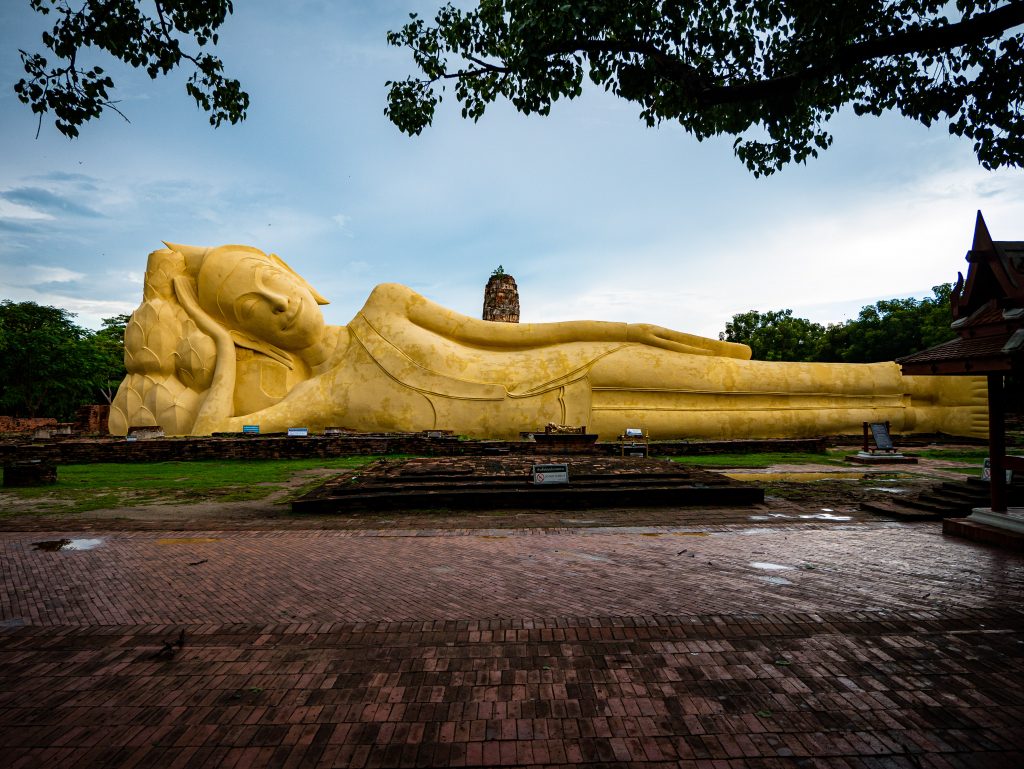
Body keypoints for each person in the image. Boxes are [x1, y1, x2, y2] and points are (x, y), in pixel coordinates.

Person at [109, 243, 987, 439]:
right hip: (566, 416)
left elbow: (517, 339)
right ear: (254, 331)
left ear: (301, 277)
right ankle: (928, 415)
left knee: (770, 381)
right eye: (256, 311)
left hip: (566, 363)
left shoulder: (383, 302)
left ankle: (917, 383)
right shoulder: (320, 395)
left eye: (278, 284)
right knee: (752, 417)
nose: (280, 305)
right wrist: (219, 351)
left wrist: (621, 325)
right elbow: (212, 437)